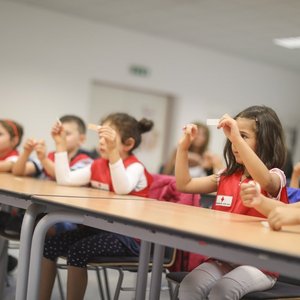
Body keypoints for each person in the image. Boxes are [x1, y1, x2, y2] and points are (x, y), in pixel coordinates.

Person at [175, 105, 288, 300]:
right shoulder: (226, 176)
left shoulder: (275, 176)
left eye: (243, 136)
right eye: (233, 136)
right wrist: (183, 147)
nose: (234, 142)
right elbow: (184, 184)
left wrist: (235, 136)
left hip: (261, 265)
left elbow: (265, 182)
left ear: (265, 141)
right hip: (225, 259)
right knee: (190, 285)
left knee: (223, 290)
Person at [39, 112, 154, 300]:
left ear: (128, 144)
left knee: (77, 251)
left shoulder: (135, 167)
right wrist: (60, 144)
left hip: (128, 237)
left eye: (108, 138)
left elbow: (122, 188)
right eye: (100, 137)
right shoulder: (97, 164)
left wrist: (114, 155)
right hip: (98, 230)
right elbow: (65, 179)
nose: (101, 142)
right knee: (50, 245)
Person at [12, 115, 93, 179]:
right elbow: (18, 172)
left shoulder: (86, 161)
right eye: (59, 133)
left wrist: (44, 159)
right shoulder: (50, 156)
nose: (61, 136)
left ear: (81, 139)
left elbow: (65, 177)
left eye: (67, 134)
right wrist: (26, 152)